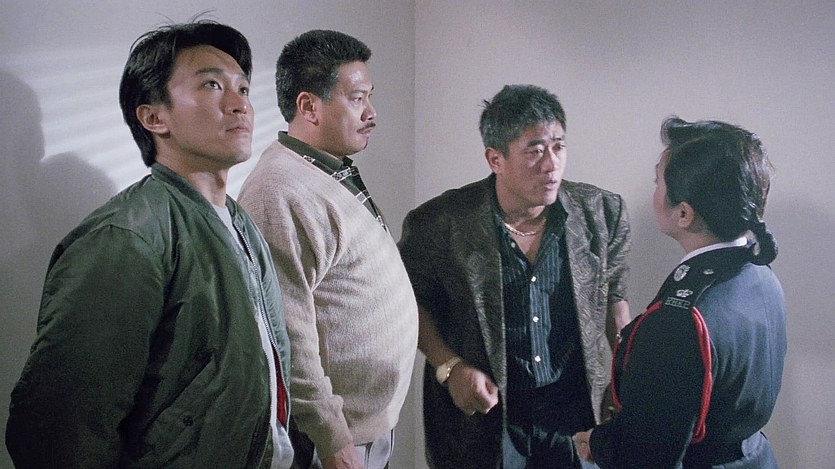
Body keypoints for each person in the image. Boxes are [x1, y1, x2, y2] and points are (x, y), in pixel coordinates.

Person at [5, 20, 293, 468]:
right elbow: (60, 427)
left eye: (242, 88)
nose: (240, 104)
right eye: (213, 85)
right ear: (154, 117)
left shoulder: (240, 223)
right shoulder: (126, 237)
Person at [398, 84, 632, 468]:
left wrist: (624, 384)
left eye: (558, 146)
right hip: (486, 414)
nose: (551, 164)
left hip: (574, 411)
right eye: (535, 150)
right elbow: (409, 304)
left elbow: (615, 301)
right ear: (496, 159)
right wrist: (449, 367)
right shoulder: (440, 223)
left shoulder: (602, 214)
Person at [237, 30, 418, 469]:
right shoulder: (279, 192)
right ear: (309, 107)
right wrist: (333, 439)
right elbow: (288, 336)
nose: (371, 112)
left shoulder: (324, 168)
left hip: (363, 427)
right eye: (357, 98)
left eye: (370, 96)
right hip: (327, 441)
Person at [573, 117, 787, 468]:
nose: (654, 193)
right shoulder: (760, 274)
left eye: (657, 181)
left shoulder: (680, 319)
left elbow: (648, 454)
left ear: (684, 213)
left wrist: (598, 443)